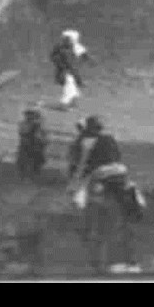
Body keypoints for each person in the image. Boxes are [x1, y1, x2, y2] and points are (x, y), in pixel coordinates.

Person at [68, 116, 143, 274]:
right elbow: (118, 159)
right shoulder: (110, 139)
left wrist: (74, 184)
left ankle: (100, 257)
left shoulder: (86, 142)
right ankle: (132, 260)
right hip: (121, 174)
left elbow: (82, 164)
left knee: (92, 214)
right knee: (125, 220)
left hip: (100, 177)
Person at [51, 30, 88, 109]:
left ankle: (73, 102)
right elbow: (55, 58)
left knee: (72, 87)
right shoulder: (61, 49)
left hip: (71, 71)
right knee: (69, 87)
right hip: (66, 72)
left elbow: (83, 53)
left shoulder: (74, 47)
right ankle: (63, 104)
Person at [17, 107, 48, 178]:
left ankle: (34, 171)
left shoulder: (35, 124)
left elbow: (42, 133)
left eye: (31, 115)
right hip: (26, 143)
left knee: (38, 155)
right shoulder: (24, 124)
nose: (29, 117)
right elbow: (22, 132)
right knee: (22, 158)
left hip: (32, 142)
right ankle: (23, 172)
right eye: (28, 115)